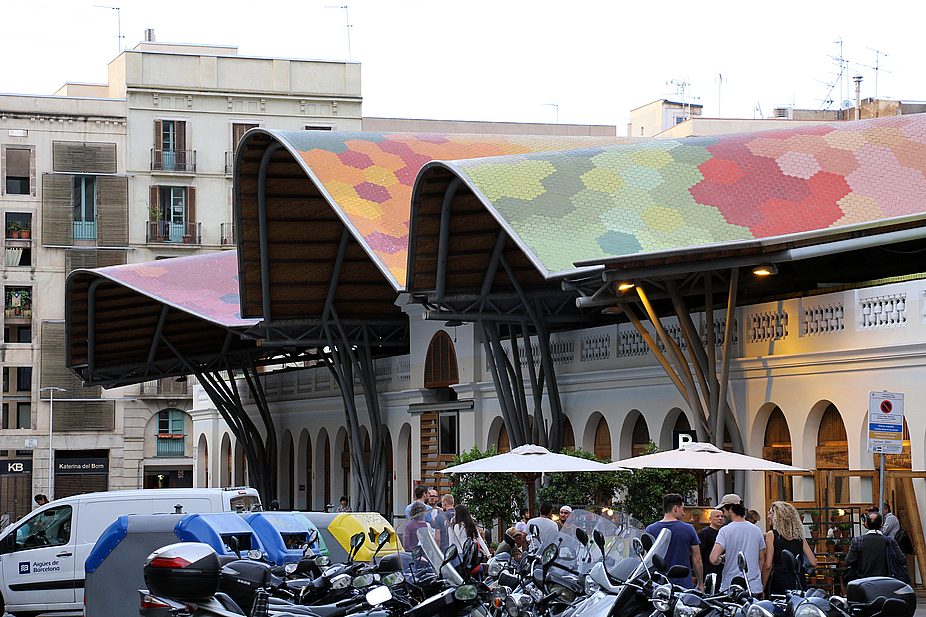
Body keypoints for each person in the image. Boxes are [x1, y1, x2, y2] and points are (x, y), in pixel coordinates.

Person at [710, 494, 766, 594]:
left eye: (723, 510)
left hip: (731, 586)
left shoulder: (725, 531)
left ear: (730, 509)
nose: (723, 515)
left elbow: (713, 559)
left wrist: (722, 559)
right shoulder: (757, 531)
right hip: (753, 587)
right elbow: (761, 560)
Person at [645, 493, 703, 589]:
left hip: (658, 585)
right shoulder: (689, 529)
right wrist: (700, 583)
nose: (683, 513)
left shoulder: (650, 529)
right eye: (682, 509)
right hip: (683, 585)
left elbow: (645, 559)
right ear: (676, 508)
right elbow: (697, 559)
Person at [762, 501, 817, 594]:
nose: (768, 517)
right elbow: (813, 562)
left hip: (779, 582)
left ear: (778, 517)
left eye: (770, 513)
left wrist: (762, 586)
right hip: (798, 581)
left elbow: (768, 565)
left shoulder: (772, 535)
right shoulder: (799, 536)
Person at [845, 511, 909, 582]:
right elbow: (902, 560)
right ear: (881, 524)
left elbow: (848, 561)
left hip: (863, 582)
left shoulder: (857, 541)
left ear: (866, 525)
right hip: (885, 581)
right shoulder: (889, 541)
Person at [699, 509, 725, 580]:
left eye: (722, 516)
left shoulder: (725, 533)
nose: (720, 518)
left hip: (723, 570)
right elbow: (699, 553)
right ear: (710, 518)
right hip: (708, 570)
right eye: (717, 516)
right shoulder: (705, 533)